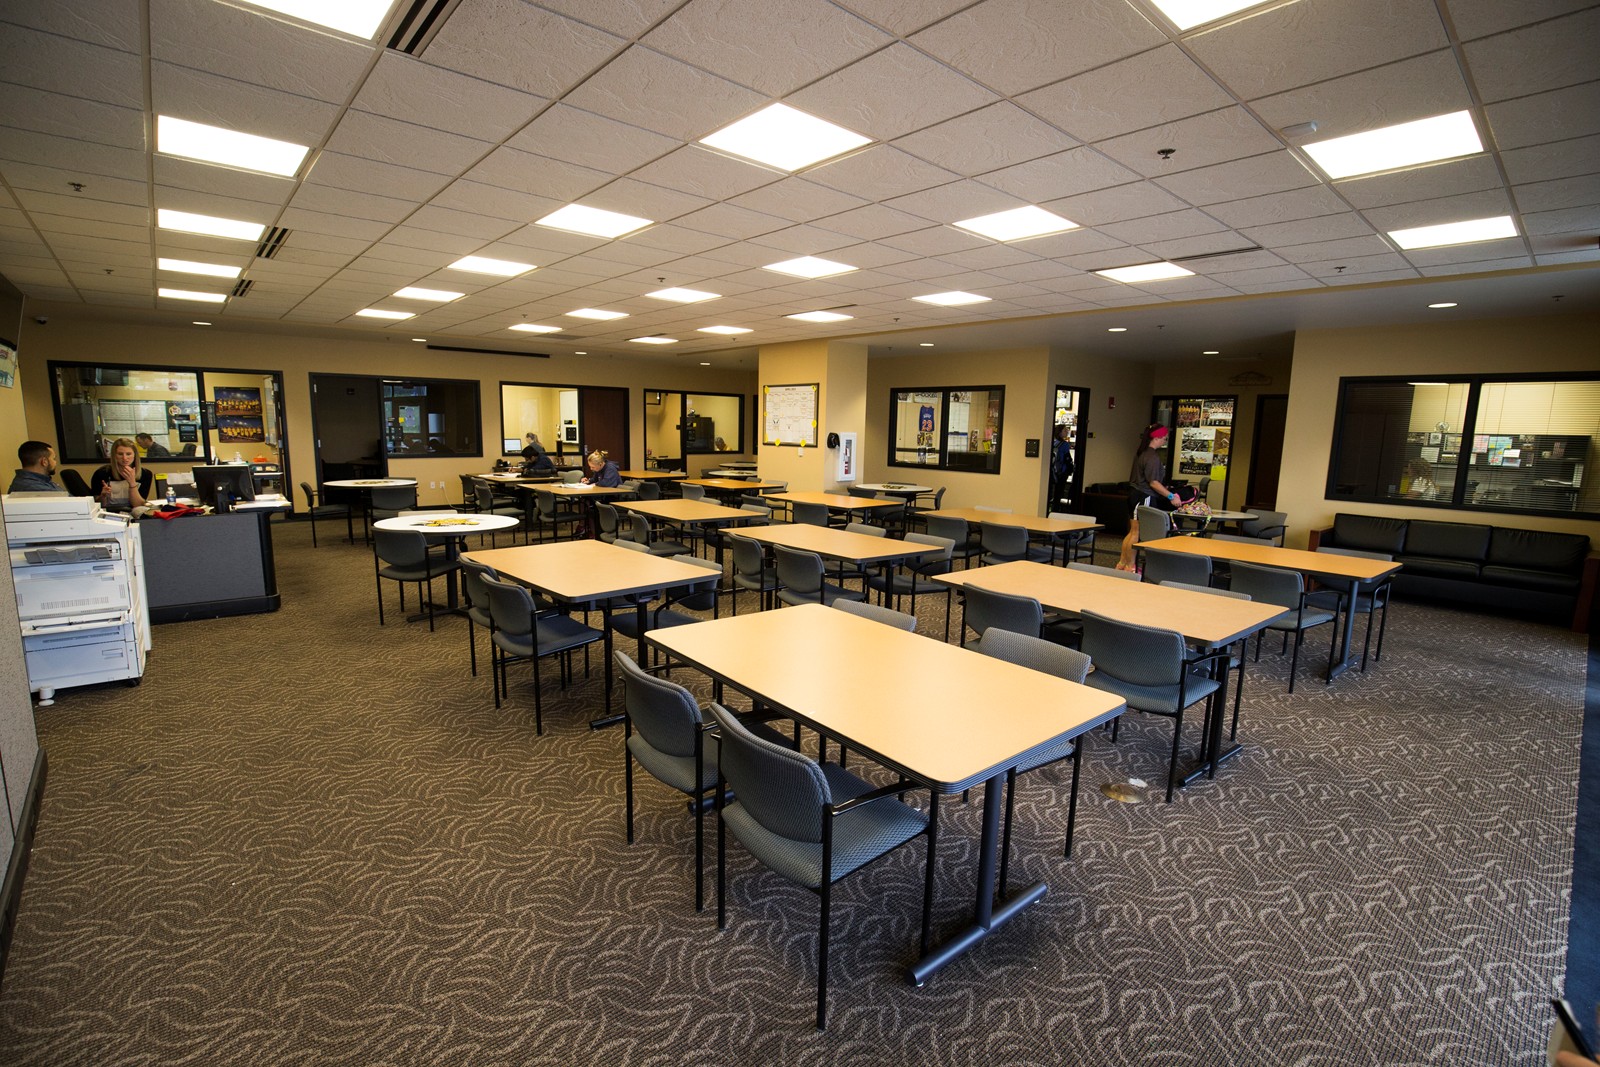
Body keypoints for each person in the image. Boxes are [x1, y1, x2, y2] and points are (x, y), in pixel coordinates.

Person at [1117, 423, 1181, 571]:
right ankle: (1130, 566)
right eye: (1164, 438)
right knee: (1137, 533)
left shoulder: (1141, 453)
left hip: (1135, 494)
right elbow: (1154, 483)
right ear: (1157, 438)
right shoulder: (1152, 457)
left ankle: (1123, 564)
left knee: (1133, 532)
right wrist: (1171, 496)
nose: (1165, 441)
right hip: (1143, 496)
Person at [91, 437, 153, 510]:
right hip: (109, 511)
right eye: (120, 454)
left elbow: (138, 505)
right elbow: (97, 505)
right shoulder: (101, 473)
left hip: (133, 511)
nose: (124, 458)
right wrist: (103, 496)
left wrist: (132, 483)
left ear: (134, 455)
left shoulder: (146, 474)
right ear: (114, 455)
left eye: (128, 454)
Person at [1049, 424, 1075, 507]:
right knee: (1059, 492)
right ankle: (1056, 508)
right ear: (1059, 432)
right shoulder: (1065, 444)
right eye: (1065, 430)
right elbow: (1067, 459)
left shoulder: (1052, 442)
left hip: (1053, 471)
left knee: (1051, 491)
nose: (1067, 432)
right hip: (1062, 471)